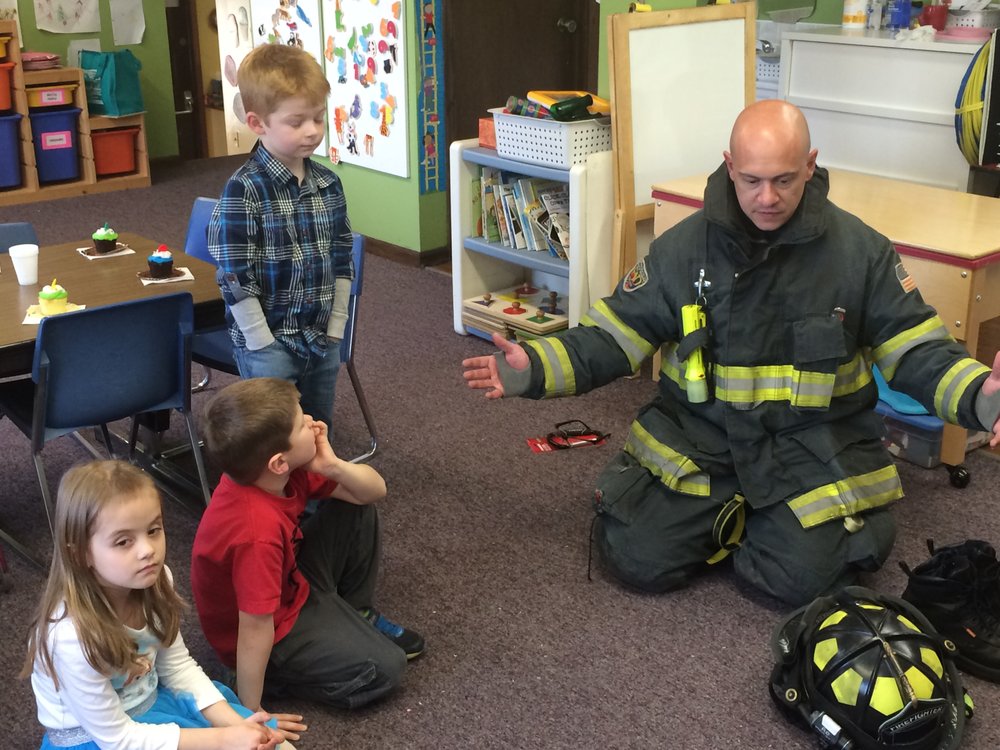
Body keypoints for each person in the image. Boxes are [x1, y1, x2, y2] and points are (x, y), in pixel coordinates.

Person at [463, 99, 1000, 607]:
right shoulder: (681, 249)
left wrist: (982, 396)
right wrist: (533, 368)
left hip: (811, 445)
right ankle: (735, 518)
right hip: (701, 437)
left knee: (792, 582)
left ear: (810, 165)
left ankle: (759, 528)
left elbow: (916, 349)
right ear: (729, 165)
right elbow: (613, 336)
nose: (767, 197)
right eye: (751, 180)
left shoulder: (861, 254)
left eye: (784, 179)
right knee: (636, 559)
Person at [190, 377, 423, 721]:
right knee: (388, 668)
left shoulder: (282, 474)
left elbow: (374, 492)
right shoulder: (256, 534)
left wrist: (333, 467)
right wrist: (248, 710)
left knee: (355, 499)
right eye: (302, 423)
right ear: (278, 463)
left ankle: (353, 611)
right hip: (266, 628)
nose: (314, 422)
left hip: (288, 579)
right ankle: (273, 677)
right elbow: (255, 627)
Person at [22, 460, 289, 750]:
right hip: (98, 739)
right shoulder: (70, 638)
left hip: (151, 701)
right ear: (81, 553)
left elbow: (176, 667)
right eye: (123, 541)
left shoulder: (156, 580)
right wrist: (223, 739)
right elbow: (118, 739)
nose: (148, 550)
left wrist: (235, 725)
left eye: (153, 530)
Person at [209, 43, 353, 435]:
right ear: (257, 123)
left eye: (319, 119)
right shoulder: (244, 189)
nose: (312, 131)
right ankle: (282, 500)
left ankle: (313, 500)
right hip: (269, 345)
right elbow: (235, 276)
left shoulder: (328, 183)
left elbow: (342, 258)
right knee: (275, 442)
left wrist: (336, 327)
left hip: (321, 338)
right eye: (297, 121)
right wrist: (262, 343)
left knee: (318, 434)